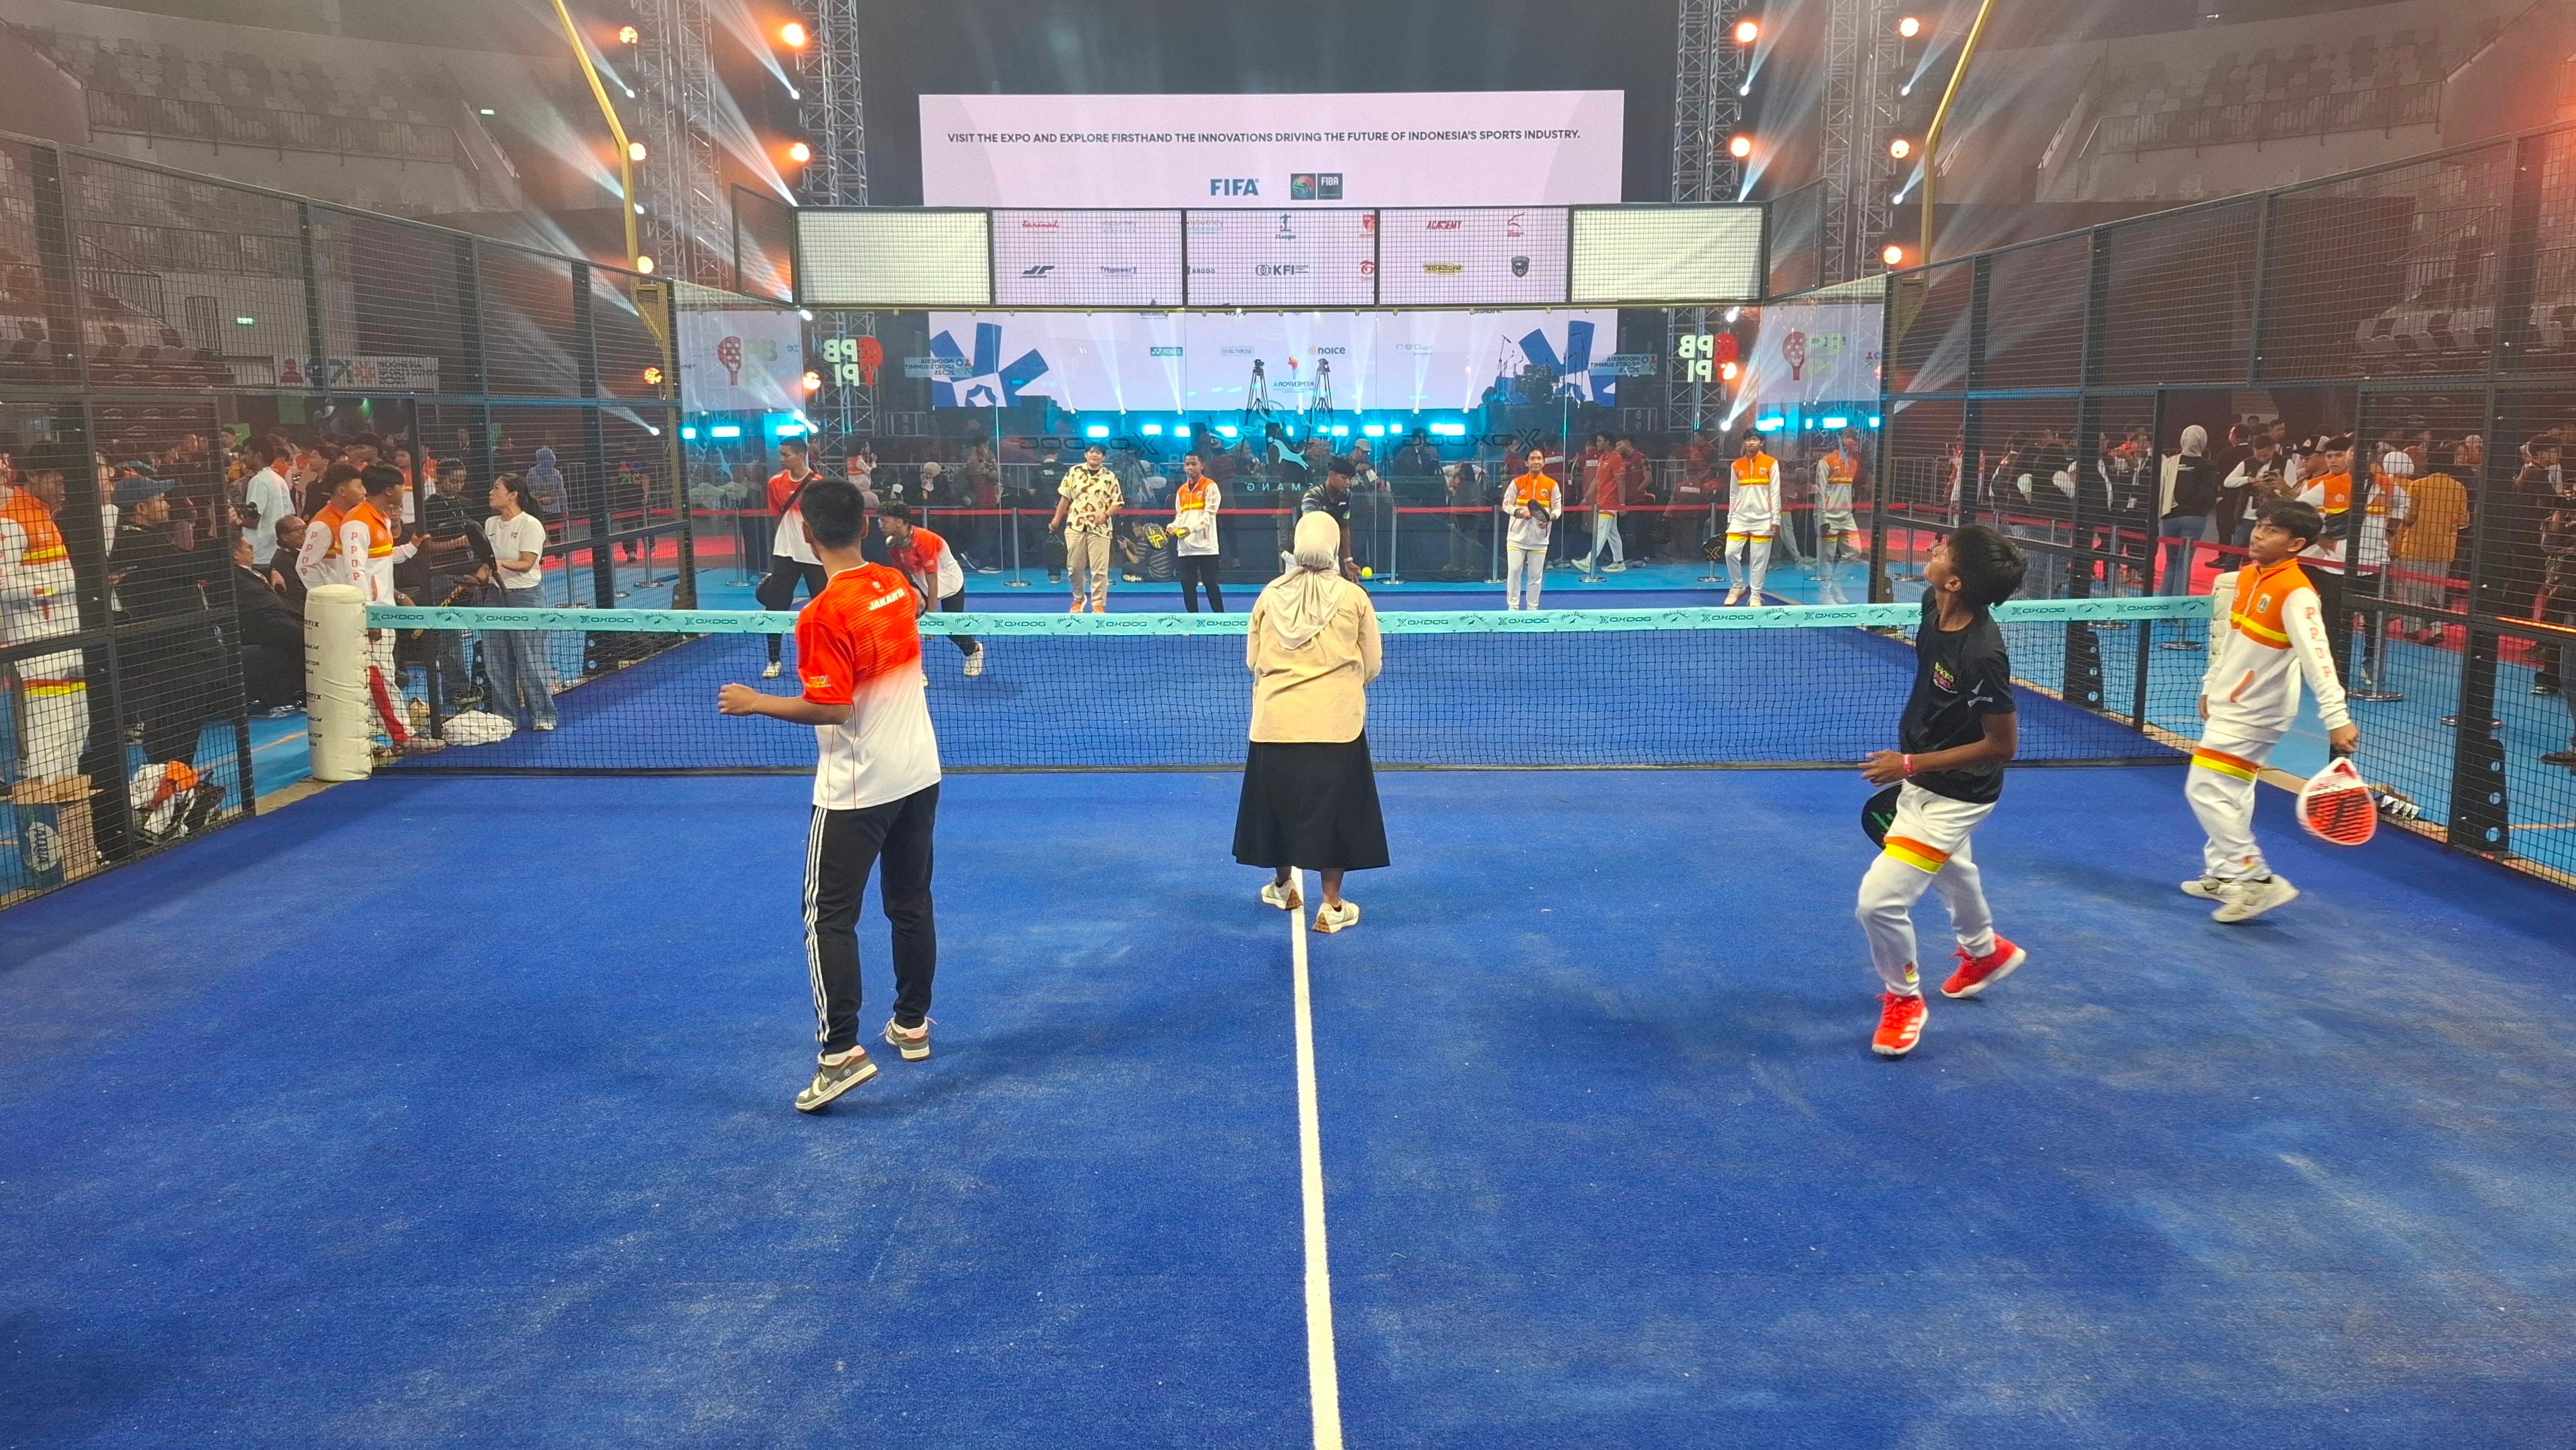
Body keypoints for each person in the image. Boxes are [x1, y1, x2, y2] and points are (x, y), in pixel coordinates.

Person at [717, 477, 943, 1113]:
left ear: (807, 535)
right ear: (866, 527)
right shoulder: (894, 583)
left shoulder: (820, 615)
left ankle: (839, 1053)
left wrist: (756, 701)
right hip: (919, 772)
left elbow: (834, 707)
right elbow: (916, 606)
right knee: (910, 901)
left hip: (857, 787)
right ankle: (912, 1024)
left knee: (828, 917)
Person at [1853, 525, 2030, 1059]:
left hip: (1955, 796)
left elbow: (2002, 745)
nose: (1934, 550)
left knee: (1878, 903)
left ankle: (1904, 998)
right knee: (1952, 868)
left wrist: (1911, 762)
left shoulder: (1982, 655)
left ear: (1955, 581)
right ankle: (1984, 950)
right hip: (1922, 778)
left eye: (1945, 551)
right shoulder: (1935, 604)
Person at [2181, 499, 2360, 924]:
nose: (2259, 535)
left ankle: (2256, 879)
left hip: (2257, 711)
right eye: (2260, 525)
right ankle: (2224, 875)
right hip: (2231, 703)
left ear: (2296, 544)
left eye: (2273, 531)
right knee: (2233, 791)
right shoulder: (2248, 575)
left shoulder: (2297, 593)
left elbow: (2318, 657)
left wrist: (2336, 717)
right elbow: (2232, 640)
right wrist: (2211, 685)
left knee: (2205, 788)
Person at [1235, 511, 1387, 934]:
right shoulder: (1355, 597)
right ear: (1334, 546)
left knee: (1277, 807)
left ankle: (1283, 886)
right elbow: (1372, 663)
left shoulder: (1269, 595)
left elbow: (1252, 660)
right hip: (1336, 727)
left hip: (1275, 723)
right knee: (1335, 817)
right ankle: (1331, 906)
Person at [0, 466, 87, 783]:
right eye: (57, 481)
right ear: (34, 476)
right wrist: (60, 588)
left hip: (68, 635)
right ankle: (43, 803)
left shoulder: (46, 515)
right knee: (51, 727)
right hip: (38, 641)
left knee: (78, 723)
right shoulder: (11, 519)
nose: (64, 488)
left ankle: (67, 802)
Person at [475, 473, 559, 732]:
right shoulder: (490, 524)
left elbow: (526, 563)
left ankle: (543, 715)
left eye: (497, 488)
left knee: (530, 661)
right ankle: (506, 718)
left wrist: (500, 564)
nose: (491, 492)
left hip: (525, 598)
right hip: (494, 598)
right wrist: (481, 575)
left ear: (513, 495)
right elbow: (489, 561)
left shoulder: (531, 524)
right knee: (497, 661)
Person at [877, 503, 984, 676]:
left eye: (884, 521)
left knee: (951, 629)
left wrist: (931, 618)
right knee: (906, 625)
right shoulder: (893, 544)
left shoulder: (924, 540)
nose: (880, 525)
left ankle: (974, 651)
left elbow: (932, 578)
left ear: (899, 522)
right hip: (922, 584)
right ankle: (915, 670)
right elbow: (903, 573)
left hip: (949, 583)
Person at [758, 439, 829, 678]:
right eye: (781, 454)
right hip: (785, 552)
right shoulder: (775, 483)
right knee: (776, 606)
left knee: (822, 609)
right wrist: (781, 543)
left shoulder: (819, 485)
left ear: (801, 455)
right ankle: (774, 660)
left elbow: (822, 520)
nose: (782, 459)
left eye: (786, 455)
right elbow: (777, 516)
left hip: (814, 553)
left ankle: (824, 661)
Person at [229, 534, 302, 713]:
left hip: (278, 618)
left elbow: (264, 568)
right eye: (249, 547)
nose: (254, 551)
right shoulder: (232, 575)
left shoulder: (253, 570)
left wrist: (272, 571)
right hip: (260, 622)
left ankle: (295, 691)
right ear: (236, 554)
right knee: (303, 636)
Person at [1051, 443, 1122, 613]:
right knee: (1074, 568)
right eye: (1091, 452)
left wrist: (1105, 515)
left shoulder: (1110, 476)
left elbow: (1117, 502)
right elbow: (1064, 498)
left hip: (1100, 529)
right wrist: (1056, 520)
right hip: (1075, 526)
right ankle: (1078, 599)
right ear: (1085, 455)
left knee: (1100, 570)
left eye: (1098, 453)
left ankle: (1098, 604)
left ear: (1104, 457)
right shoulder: (1074, 472)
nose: (1094, 455)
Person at [1724, 430, 1780, 606]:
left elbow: (1775, 493)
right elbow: (1733, 493)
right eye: (1748, 440)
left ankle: (1755, 594)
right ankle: (1737, 586)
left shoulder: (1771, 463)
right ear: (1744, 442)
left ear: (1761, 442)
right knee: (1730, 553)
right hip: (1739, 518)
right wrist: (1730, 517)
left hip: (1763, 518)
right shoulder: (1736, 465)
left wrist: (1776, 519)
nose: (1752, 443)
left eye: (1755, 439)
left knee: (1759, 559)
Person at [1501, 447, 1559, 611]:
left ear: (1544, 463)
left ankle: (1532, 609)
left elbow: (1557, 509)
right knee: (1514, 572)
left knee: (1536, 576)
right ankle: (1513, 608)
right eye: (1533, 458)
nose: (1536, 461)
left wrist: (1549, 518)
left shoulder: (1552, 485)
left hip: (1540, 540)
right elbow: (1506, 504)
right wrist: (1519, 513)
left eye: (1539, 458)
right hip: (1516, 538)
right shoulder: (1517, 483)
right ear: (1526, 463)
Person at [2162, 425, 2217, 595]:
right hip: (2194, 519)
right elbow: (2207, 494)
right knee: (2184, 563)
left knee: (2171, 562)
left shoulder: (2170, 463)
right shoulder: (2207, 466)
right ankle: (2179, 605)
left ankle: (2163, 603)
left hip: (2170, 516)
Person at [1291, 457, 1364, 583]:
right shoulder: (1313, 496)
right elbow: (1311, 528)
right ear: (1331, 475)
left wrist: (1348, 560)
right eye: (1344, 478)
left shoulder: (1347, 496)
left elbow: (1344, 528)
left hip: (1329, 553)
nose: (1348, 483)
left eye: (1350, 479)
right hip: (1301, 554)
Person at [1170, 452, 1225, 612]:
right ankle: (1192, 619)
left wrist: (1190, 529)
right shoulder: (1181, 491)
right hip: (1185, 548)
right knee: (1187, 585)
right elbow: (1180, 516)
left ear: (1202, 465)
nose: (1190, 468)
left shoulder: (1210, 486)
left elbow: (1209, 516)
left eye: (1194, 464)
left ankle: (1220, 619)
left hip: (1207, 547)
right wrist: (1173, 526)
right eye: (1187, 464)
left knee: (1211, 584)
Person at [1814, 430, 1863, 604]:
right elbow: (1820, 493)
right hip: (1828, 516)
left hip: (1846, 517)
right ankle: (1824, 594)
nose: (1851, 442)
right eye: (1847, 438)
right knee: (1827, 557)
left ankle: (1835, 583)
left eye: (1853, 439)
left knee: (1855, 552)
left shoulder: (1853, 464)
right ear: (1840, 440)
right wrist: (1822, 518)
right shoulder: (1826, 462)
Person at [239, 436, 295, 568]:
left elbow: (253, 521)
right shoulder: (279, 479)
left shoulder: (258, 480)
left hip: (261, 554)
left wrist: (235, 519)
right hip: (277, 552)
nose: (243, 458)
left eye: (246, 453)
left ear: (258, 455)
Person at [1577, 432, 1627, 574]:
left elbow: (1621, 482)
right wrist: (1587, 497)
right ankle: (1619, 562)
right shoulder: (1602, 458)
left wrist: (1622, 504)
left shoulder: (1616, 458)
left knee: (1600, 532)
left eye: (1600, 441)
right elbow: (1597, 479)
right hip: (1601, 500)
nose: (1597, 443)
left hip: (1610, 502)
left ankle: (1589, 562)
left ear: (1608, 442)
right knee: (1612, 534)